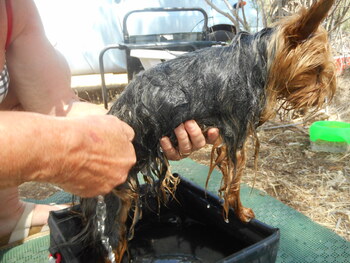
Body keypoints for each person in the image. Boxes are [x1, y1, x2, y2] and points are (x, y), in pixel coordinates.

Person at [0, 0, 219, 246]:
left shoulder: (14, 8)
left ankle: (6, 216)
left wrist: (152, 128)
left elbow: (58, 107)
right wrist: (58, 149)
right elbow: (58, 133)